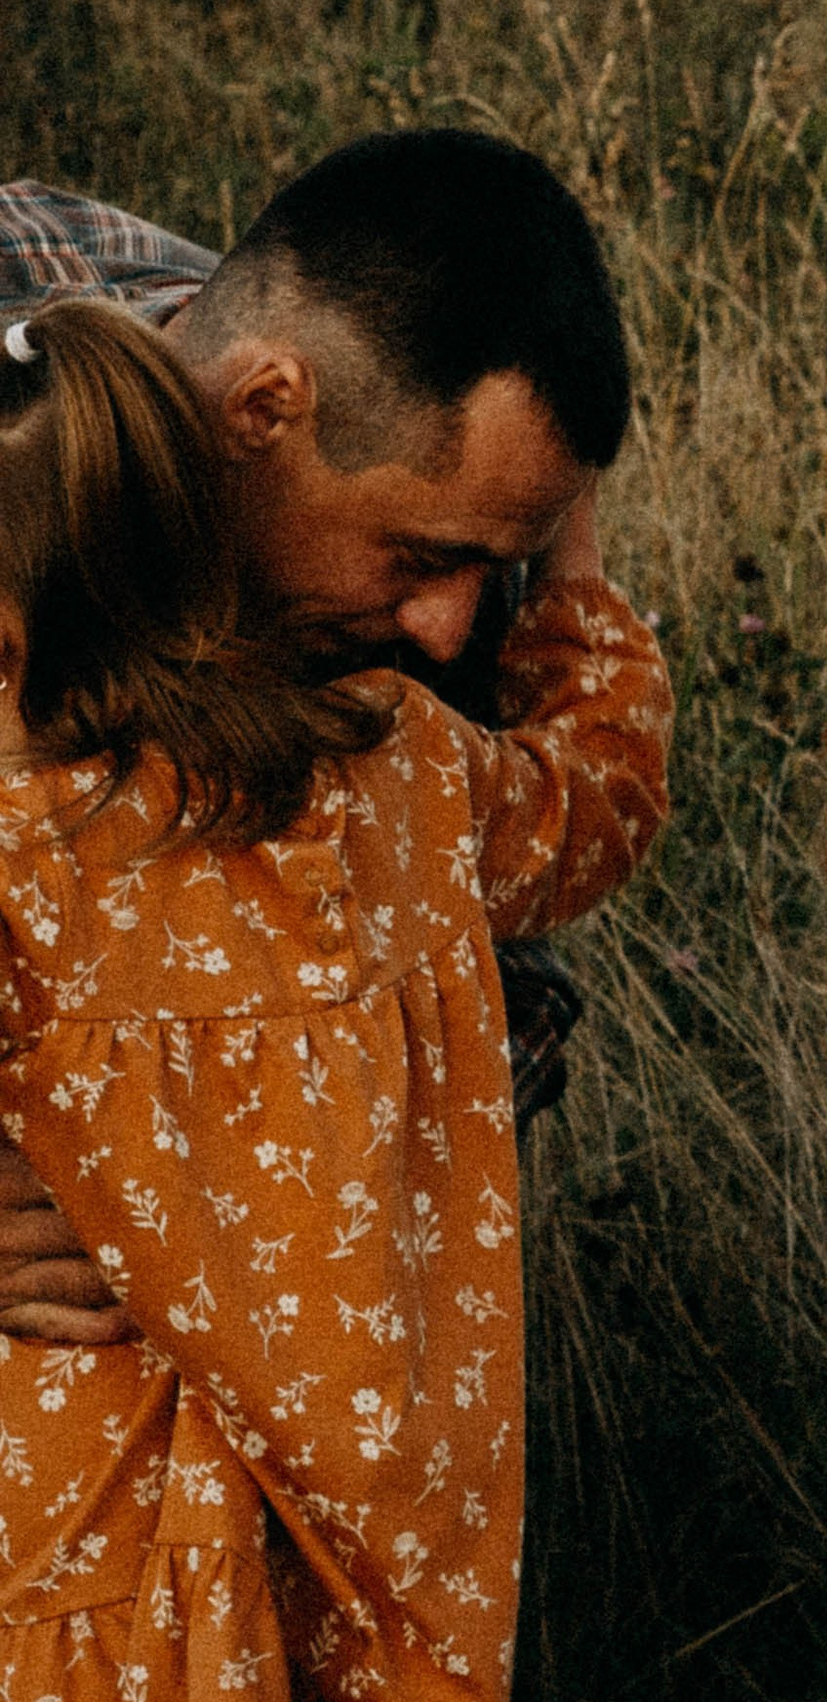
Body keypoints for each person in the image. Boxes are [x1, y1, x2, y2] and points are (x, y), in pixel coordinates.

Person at [0, 293, 671, 1702]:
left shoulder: (16, 827)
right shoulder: (397, 775)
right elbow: (600, 797)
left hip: (63, 1553)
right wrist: (568, 577)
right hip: (339, 1556)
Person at [0, 131, 636, 1348]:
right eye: (421, 557)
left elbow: (504, 978)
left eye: (488, 565)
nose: (450, 631)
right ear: (263, 409)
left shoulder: (417, 530)